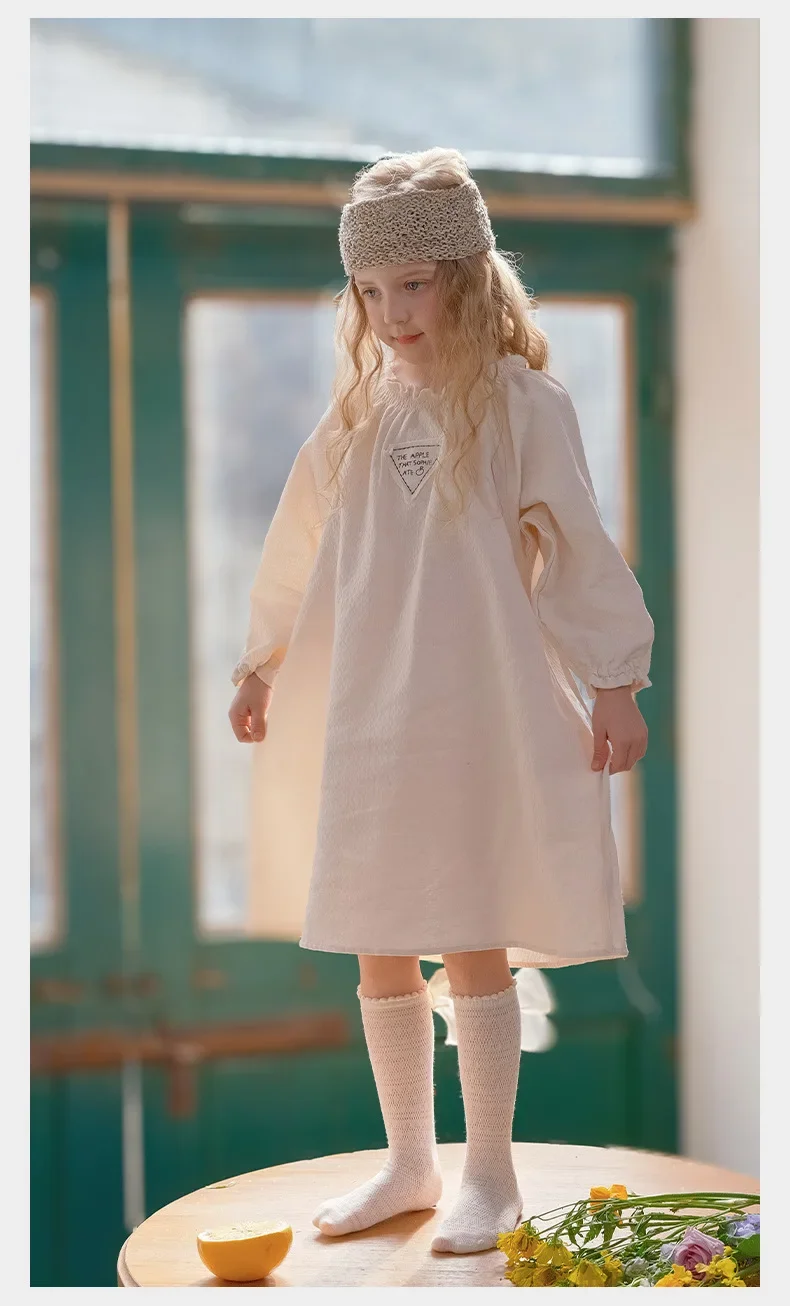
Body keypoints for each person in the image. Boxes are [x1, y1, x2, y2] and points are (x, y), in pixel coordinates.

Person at [227, 147, 654, 1255]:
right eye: (370, 292)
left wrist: (615, 678)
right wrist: (263, 659)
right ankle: (410, 1160)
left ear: (466, 277)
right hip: (369, 712)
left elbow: (577, 547)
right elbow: (296, 541)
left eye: (413, 285)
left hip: (473, 705)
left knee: (468, 929)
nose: (393, 314)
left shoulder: (520, 404)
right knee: (378, 932)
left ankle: (489, 1173)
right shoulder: (360, 413)